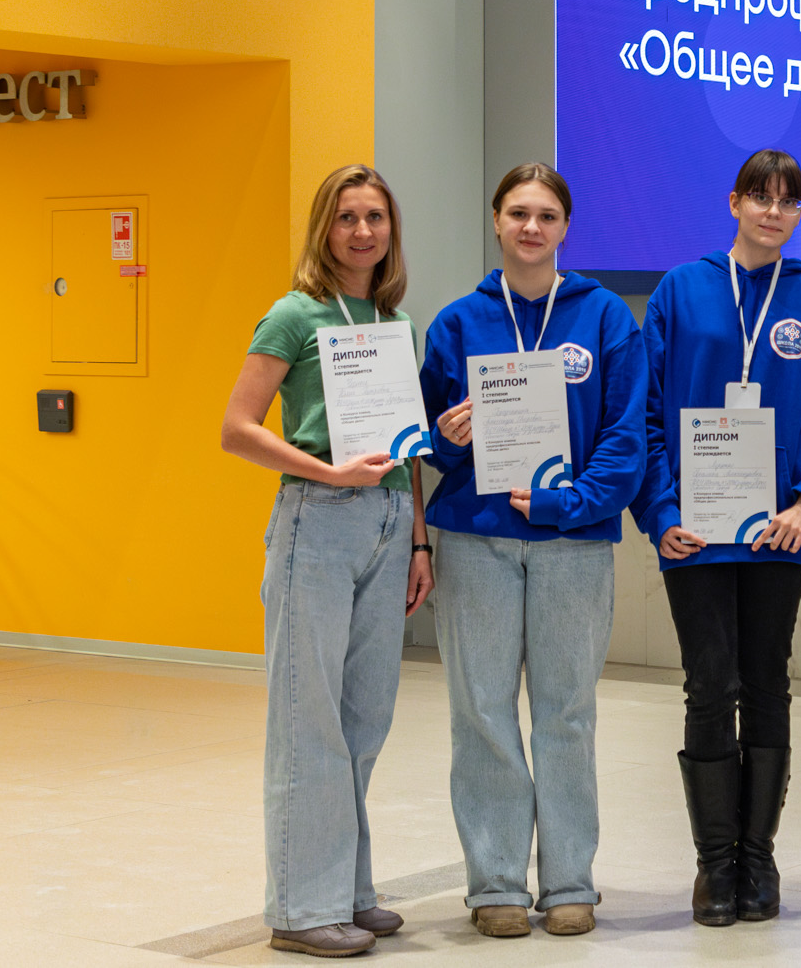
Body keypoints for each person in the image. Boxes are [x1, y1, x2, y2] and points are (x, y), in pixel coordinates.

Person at [634, 149, 801, 926]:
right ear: (733, 201)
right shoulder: (680, 290)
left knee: (767, 680)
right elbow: (646, 409)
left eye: (789, 200)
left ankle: (757, 857)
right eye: (760, 197)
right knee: (709, 682)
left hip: (780, 528)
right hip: (694, 530)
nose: (774, 211)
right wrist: (661, 511)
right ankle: (715, 862)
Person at [417, 163, 647, 940]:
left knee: (567, 713)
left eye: (547, 214)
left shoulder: (605, 316)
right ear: (496, 219)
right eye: (518, 212)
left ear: (565, 227)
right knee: (481, 712)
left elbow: (625, 437)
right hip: (476, 538)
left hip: (572, 541)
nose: (531, 226)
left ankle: (571, 881)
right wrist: (449, 440)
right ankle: (495, 884)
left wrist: (567, 503)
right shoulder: (457, 322)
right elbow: (425, 442)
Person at [221, 164, 435, 959]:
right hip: (318, 518)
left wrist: (418, 537)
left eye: (375, 216)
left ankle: (345, 888)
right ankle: (301, 907)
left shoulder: (393, 320)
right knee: (307, 719)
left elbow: (407, 442)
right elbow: (237, 427)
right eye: (347, 217)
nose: (362, 231)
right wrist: (327, 472)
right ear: (324, 227)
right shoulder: (292, 314)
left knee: (362, 718)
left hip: (388, 519)